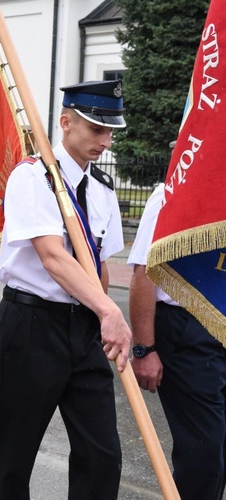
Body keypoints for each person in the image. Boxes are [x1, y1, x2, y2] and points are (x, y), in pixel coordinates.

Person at [0, 80, 132, 499]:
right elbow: (53, 257)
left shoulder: (103, 190)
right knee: (18, 457)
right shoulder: (33, 178)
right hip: (32, 325)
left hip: (84, 327)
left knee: (102, 454)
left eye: (110, 132)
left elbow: (100, 266)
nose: (104, 140)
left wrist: (100, 314)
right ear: (65, 122)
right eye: (95, 129)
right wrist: (110, 311)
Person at [128, 184, 226, 500]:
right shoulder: (172, 193)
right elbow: (144, 272)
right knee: (203, 451)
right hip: (188, 328)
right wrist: (144, 348)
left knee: (219, 449)